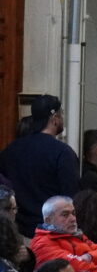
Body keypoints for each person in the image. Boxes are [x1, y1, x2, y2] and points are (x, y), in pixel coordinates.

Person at [0, 95, 80, 236]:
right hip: (50, 234)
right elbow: (70, 195)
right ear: (54, 118)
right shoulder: (62, 153)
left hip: (17, 231)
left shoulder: (11, 150)